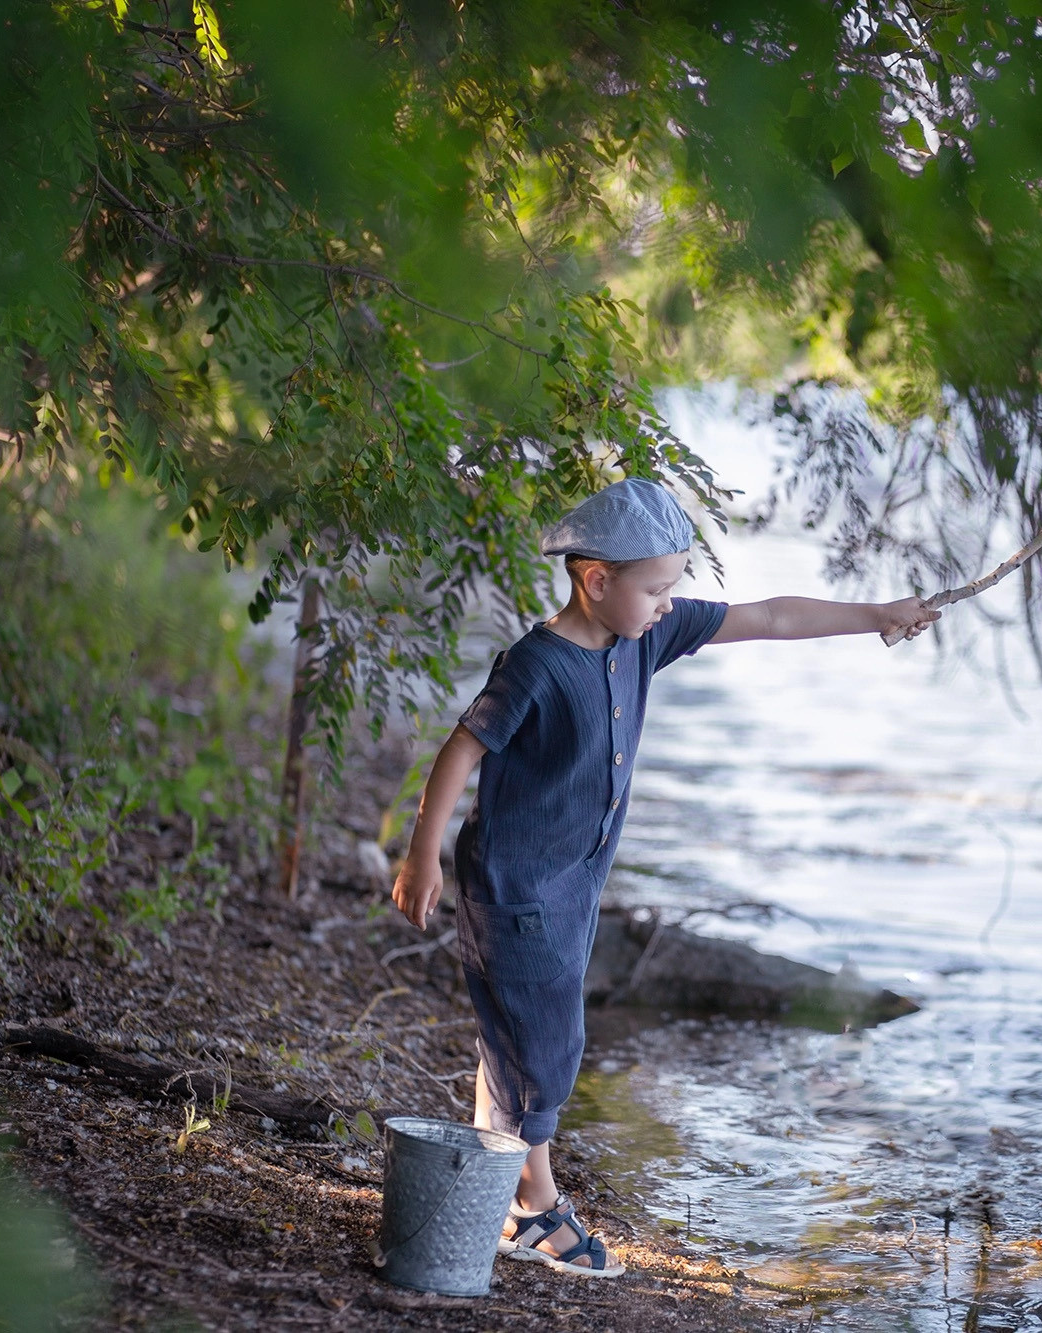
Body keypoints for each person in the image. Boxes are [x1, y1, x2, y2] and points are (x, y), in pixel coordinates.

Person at [391, 477, 938, 1278]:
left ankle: (490, 1185)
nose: (667, 603)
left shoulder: (642, 635)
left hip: (569, 889)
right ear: (596, 580)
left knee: (518, 1033)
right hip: (513, 889)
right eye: (655, 589)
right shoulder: (537, 665)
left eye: (673, 587)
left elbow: (768, 617)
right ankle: (533, 1208)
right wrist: (421, 853)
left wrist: (877, 614)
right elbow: (462, 746)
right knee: (546, 1046)